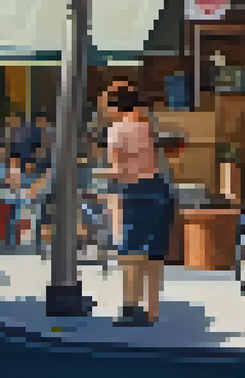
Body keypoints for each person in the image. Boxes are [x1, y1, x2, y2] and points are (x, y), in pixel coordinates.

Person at [103, 84, 176, 326]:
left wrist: (100, 174)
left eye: (106, 105)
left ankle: (130, 309)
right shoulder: (148, 126)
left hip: (134, 191)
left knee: (131, 252)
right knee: (154, 254)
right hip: (158, 189)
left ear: (116, 106)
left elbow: (118, 170)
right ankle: (151, 310)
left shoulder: (116, 130)